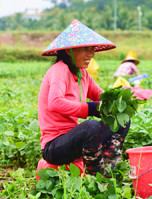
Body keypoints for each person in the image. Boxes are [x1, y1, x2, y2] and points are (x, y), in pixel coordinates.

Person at [38, 19, 130, 177]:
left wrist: (119, 100)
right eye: (85, 49)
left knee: (122, 119)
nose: (91, 54)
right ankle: (95, 175)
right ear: (69, 51)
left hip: (74, 142)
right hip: (55, 147)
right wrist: (90, 108)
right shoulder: (59, 70)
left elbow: (102, 96)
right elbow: (54, 103)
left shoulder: (82, 74)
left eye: (92, 49)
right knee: (90, 127)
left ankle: (108, 168)